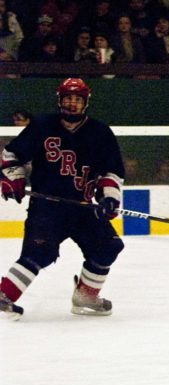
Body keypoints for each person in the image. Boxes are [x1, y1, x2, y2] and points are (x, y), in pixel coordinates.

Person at [0, 78, 125, 319]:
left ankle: (86, 296)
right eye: (68, 98)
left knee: (109, 246)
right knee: (40, 252)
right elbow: (11, 154)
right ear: (60, 100)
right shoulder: (42, 125)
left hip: (83, 207)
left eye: (77, 99)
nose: (72, 104)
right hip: (47, 206)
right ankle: (5, 295)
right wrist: (13, 178)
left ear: (85, 103)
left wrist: (109, 197)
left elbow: (112, 171)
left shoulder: (100, 132)